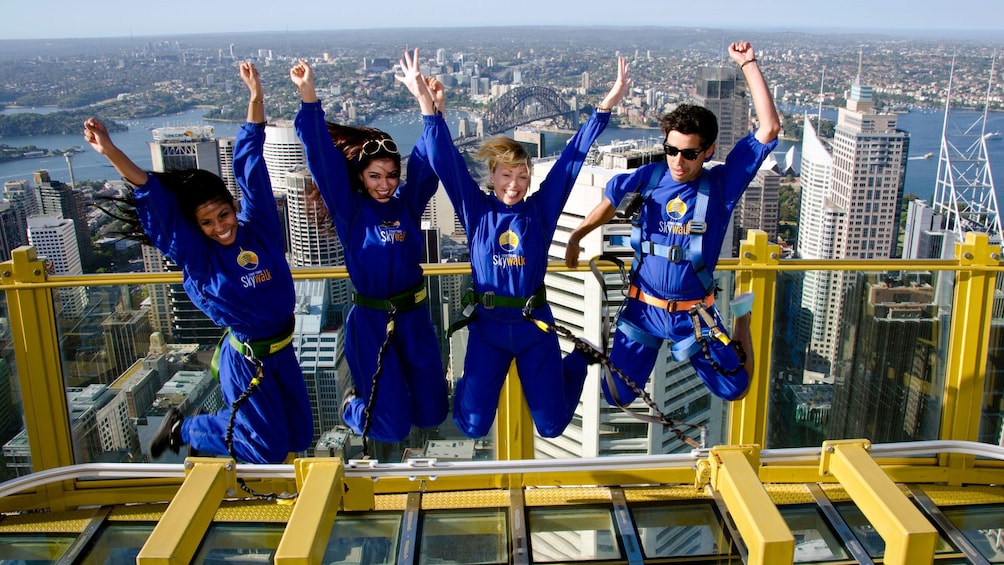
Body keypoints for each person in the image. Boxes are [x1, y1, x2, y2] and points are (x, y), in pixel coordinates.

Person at [83, 62, 313, 464]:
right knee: (270, 447)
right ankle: (185, 428)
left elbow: (249, 166)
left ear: (232, 208)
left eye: (223, 215)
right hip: (248, 360)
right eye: (206, 222)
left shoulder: (258, 229)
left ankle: (254, 454)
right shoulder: (199, 257)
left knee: (300, 434)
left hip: (283, 350)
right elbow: (153, 198)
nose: (219, 227)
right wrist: (113, 152)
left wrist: (256, 100)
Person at [399, 50, 630, 439]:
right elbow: (445, 160)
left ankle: (578, 360)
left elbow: (572, 159)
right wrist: (426, 103)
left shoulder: (540, 210)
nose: (513, 184)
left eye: (522, 176)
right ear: (492, 175)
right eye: (506, 175)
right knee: (471, 427)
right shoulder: (477, 210)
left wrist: (606, 105)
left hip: (535, 324)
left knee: (553, 426)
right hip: (488, 328)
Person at [565, 41, 780, 407]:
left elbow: (770, 128)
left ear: (708, 150)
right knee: (616, 395)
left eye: (689, 153)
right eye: (671, 150)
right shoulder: (649, 177)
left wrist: (749, 65)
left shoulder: (721, 187)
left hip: (693, 315)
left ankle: (740, 319)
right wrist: (577, 236)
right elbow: (608, 204)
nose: (678, 161)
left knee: (736, 387)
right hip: (643, 308)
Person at [290, 59, 448, 444]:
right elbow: (322, 160)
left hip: (413, 317)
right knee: (391, 428)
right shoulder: (350, 209)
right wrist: (309, 96)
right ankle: (350, 404)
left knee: (433, 413)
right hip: (371, 322)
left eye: (392, 175)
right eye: (375, 175)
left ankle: (394, 395)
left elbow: (428, 161)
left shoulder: (407, 204)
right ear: (361, 176)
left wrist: (433, 106)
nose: (385, 184)